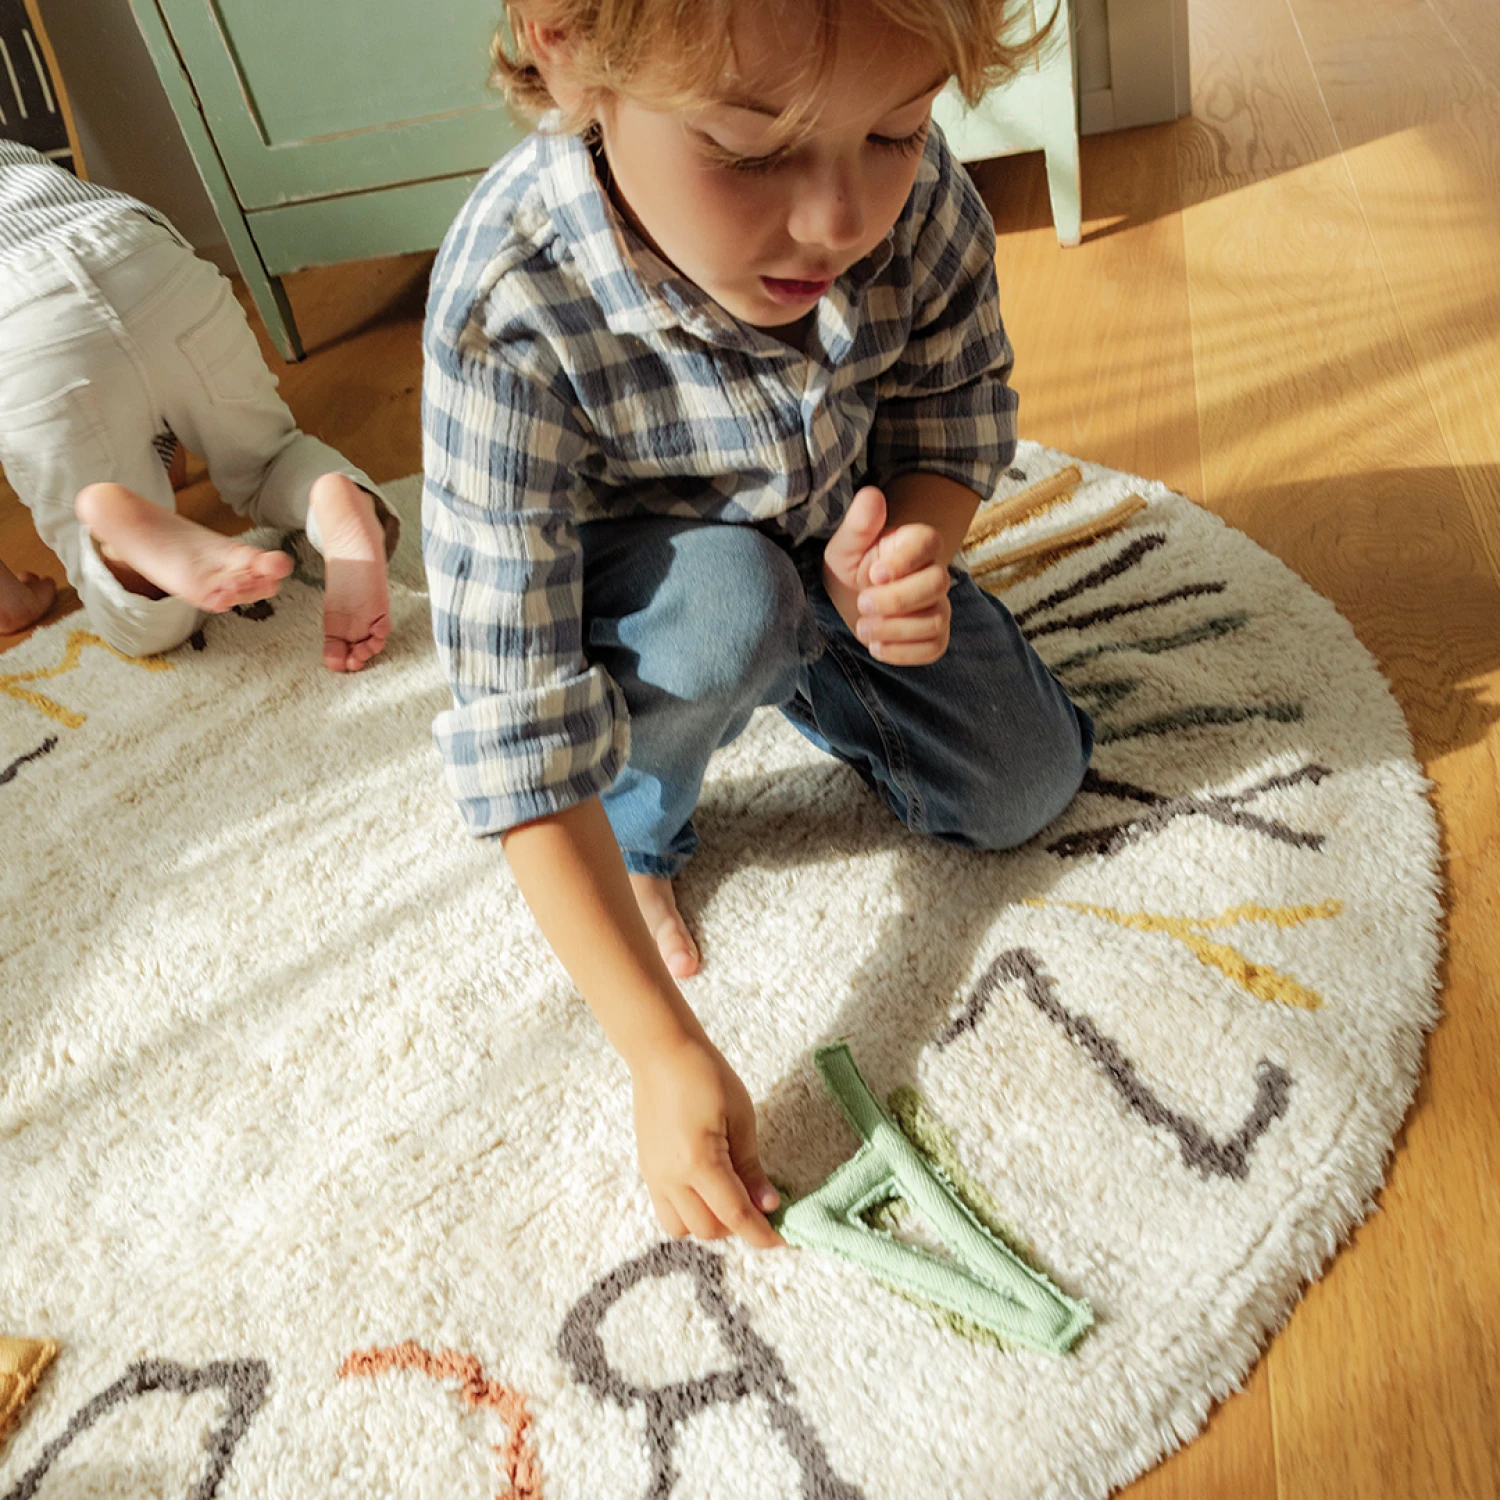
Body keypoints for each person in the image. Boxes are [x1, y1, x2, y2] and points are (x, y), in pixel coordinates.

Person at [421, 0, 1093, 1248]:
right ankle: (646, 824)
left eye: (896, 132)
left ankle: (803, 640)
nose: (840, 219)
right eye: (750, 152)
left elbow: (954, 406)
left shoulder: (914, 197)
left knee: (1028, 780)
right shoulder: (507, 308)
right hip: (660, 601)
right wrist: (657, 1047)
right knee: (730, 604)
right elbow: (516, 718)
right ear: (568, 50)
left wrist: (907, 556)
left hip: (835, 538)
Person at [0, 139, 395, 669]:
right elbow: (124, 343)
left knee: (132, 617)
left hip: (22, 331)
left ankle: (123, 553)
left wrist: (12, 603)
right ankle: (331, 497)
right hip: (142, 256)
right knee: (270, 458)